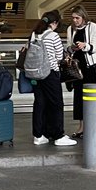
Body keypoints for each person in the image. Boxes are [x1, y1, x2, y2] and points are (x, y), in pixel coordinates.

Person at [28, 10, 75, 147]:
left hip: (35, 74)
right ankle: (58, 135)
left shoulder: (34, 34)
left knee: (39, 103)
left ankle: (39, 135)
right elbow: (60, 57)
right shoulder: (53, 36)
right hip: (50, 73)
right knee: (56, 104)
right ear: (54, 23)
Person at [66, 5, 96, 139]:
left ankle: (90, 125)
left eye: (77, 18)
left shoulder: (92, 27)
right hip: (77, 68)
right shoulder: (71, 29)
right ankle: (81, 126)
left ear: (83, 17)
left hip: (89, 67)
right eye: (73, 18)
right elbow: (68, 47)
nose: (75, 21)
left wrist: (85, 46)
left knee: (90, 98)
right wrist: (72, 48)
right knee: (78, 97)